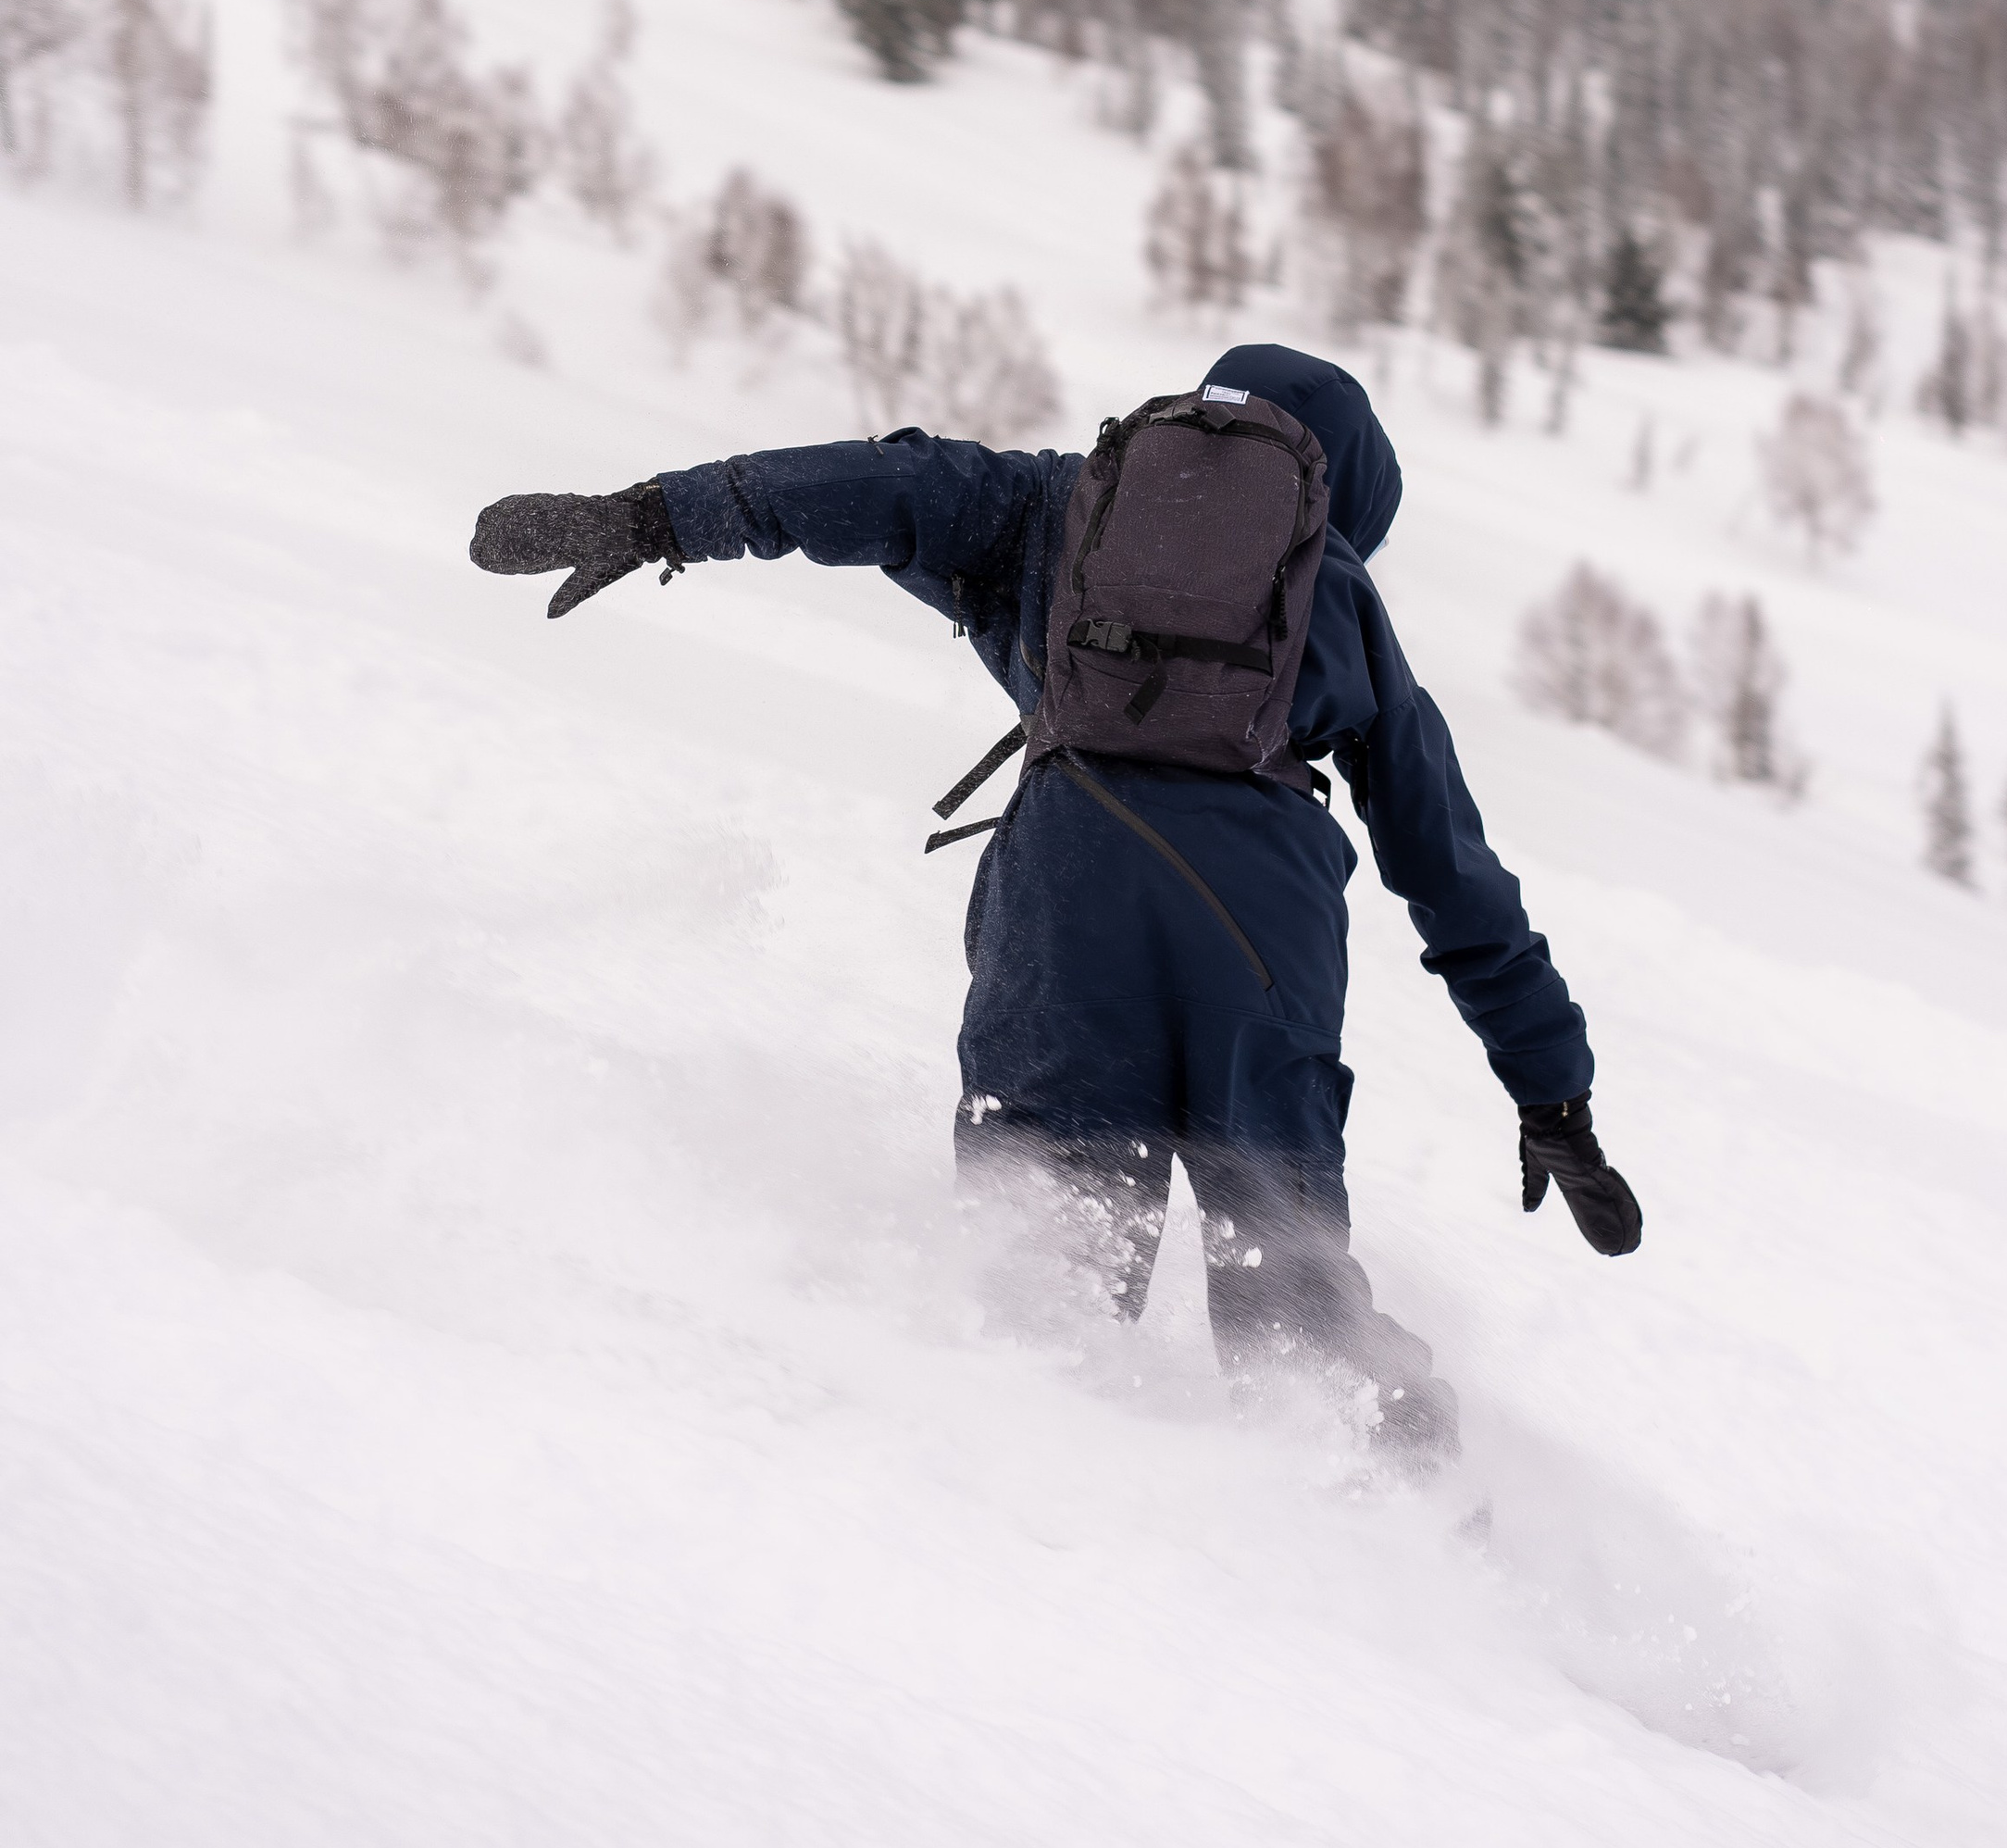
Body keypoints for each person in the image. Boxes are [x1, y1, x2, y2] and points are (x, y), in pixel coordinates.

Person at [470, 341, 1640, 1467]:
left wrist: (655, 513)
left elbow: (878, 482)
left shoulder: (1052, 505)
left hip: (1068, 896)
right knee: (1288, 1296)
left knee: (1044, 1264)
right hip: (1260, 940)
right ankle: (1421, 1555)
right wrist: (1553, 1094)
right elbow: (1453, 877)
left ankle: (1028, 1525)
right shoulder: (1336, 595)